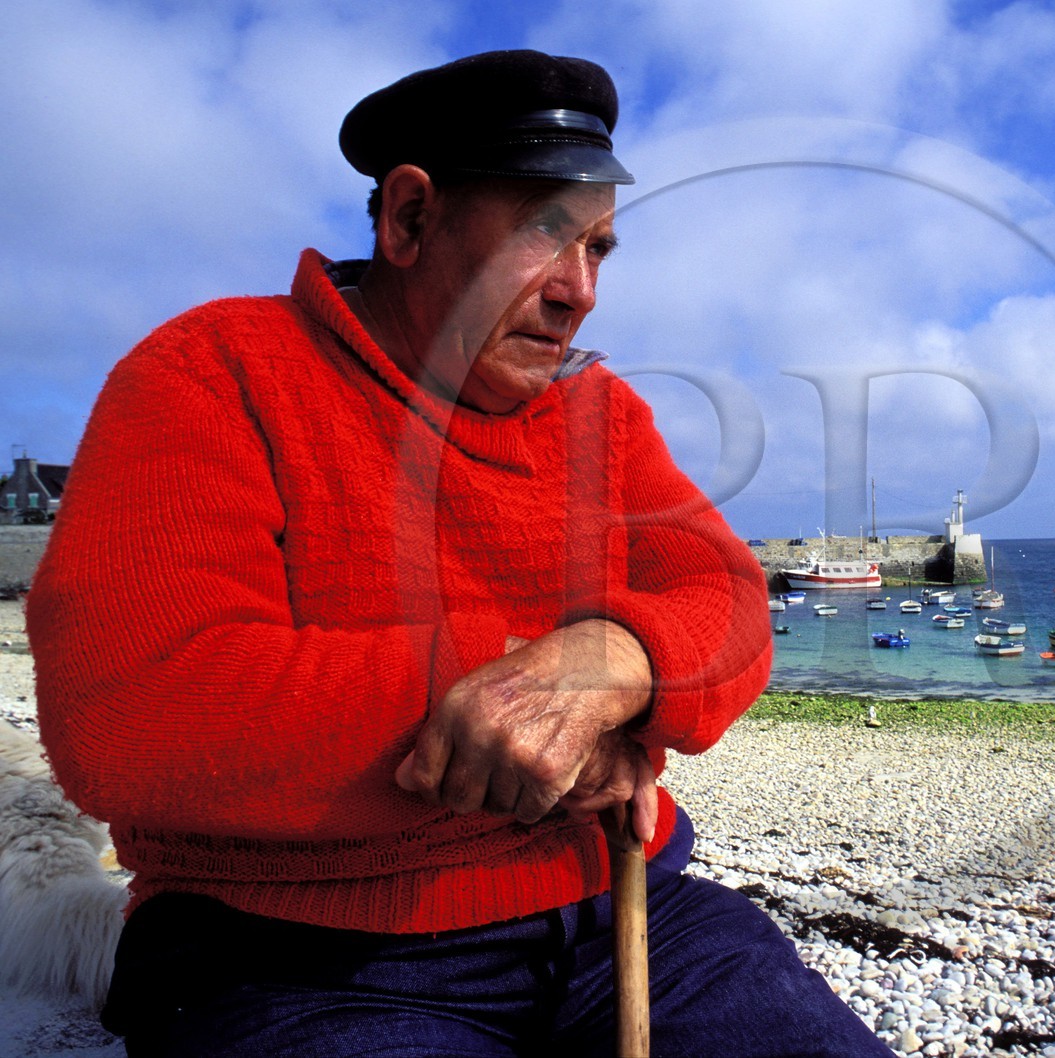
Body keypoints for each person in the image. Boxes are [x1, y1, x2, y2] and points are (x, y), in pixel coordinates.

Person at [29, 49, 893, 1057]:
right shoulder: (211, 371)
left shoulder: (599, 413)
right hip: (296, 956)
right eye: (546, 235)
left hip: (623, 912)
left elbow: (727, 594)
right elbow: (129, 709)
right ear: (409, 219)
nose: (582, 293)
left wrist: (617, 660)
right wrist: (531, 703)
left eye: (601, 250)